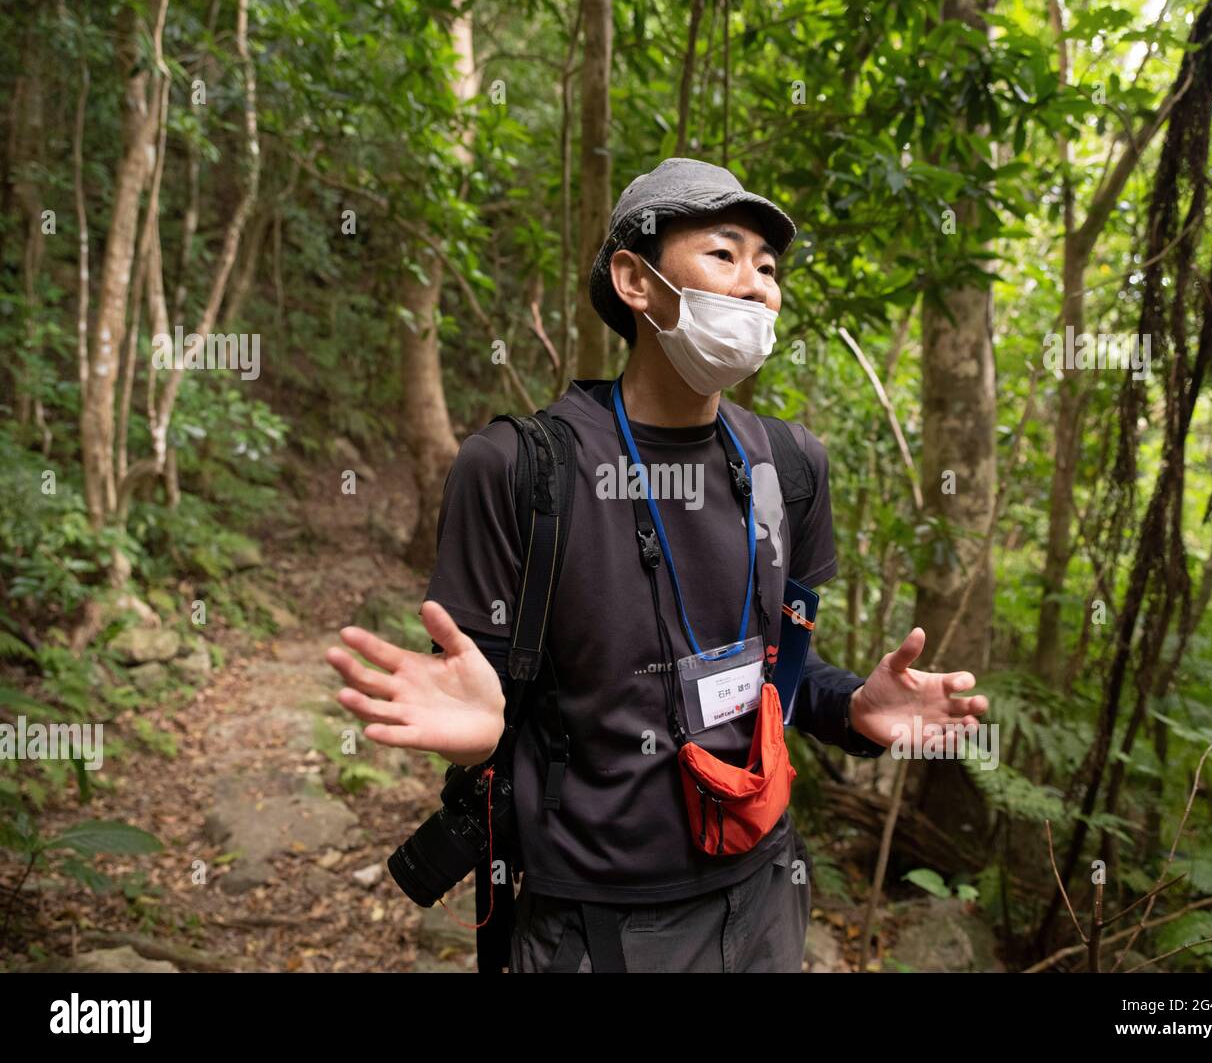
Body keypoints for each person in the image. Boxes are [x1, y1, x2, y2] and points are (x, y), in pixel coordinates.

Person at [325, 157, 989, 973]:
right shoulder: (520, 468)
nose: (757, 285)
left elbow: (778, 676)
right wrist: (479, 740)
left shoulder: (791, 464)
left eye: (770, 268)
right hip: (598, 920)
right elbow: (479, 696)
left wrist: (851, 707)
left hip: (768, 891)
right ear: (635, 279)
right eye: (725, 253)